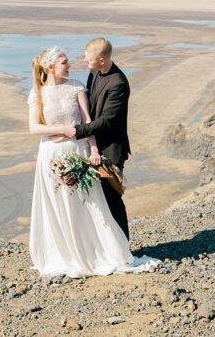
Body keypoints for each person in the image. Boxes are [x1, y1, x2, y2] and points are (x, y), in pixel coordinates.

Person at [27, 45, 158, 277]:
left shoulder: (77, 86)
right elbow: (34, 128)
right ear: (51, 67)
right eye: (64, 63)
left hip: (78, 151)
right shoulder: (37, 92)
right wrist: (60, 129)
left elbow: (88, 121)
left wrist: (93, 149)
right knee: (57, 204)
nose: (70, 65)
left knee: (86, 204)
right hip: (50, 155)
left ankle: (94, 252)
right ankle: (64, 253)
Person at [56, 37, 131, 239]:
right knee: (96, 199)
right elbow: (89, 105)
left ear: (102, 60)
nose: (85, 61)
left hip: (111, 149)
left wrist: (75, 130)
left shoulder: (118, 83)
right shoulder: (94, 71)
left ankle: (123, 246)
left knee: (112, 199)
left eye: (89, 59)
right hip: (93, 144)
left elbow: (106, 121)